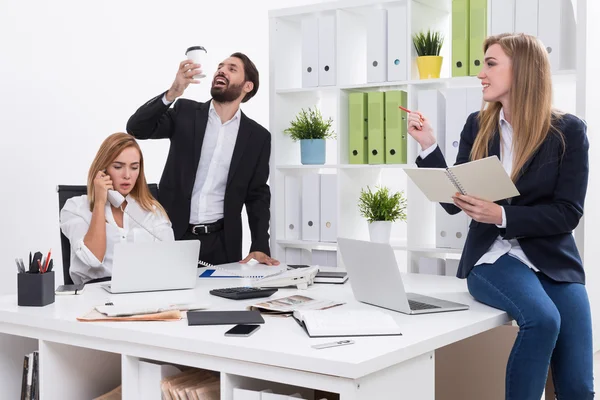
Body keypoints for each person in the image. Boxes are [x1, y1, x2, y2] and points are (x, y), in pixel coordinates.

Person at [407, 34, 593, 399]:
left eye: (491, 63)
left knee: (578, 385)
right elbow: (452, 200)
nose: (481, 73)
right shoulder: (478, 124)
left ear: (523, 71)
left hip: (553, 259)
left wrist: (503, 214)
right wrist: (429, 145)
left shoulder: (569, 131)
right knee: (542, 320)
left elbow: (567, 213)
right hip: (493, 257)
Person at [126, 52, 279, 267]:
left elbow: (257, 196)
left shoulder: (258, 137)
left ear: (247, 86)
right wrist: (172, 93)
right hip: (172, 235)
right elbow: (136, 128)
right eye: (220, 66)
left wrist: (260, 245)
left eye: (232, 69)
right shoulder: (185, 112)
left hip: (222, 244)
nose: (222, 70)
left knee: (221, 301)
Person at [60, 133, 174, 285]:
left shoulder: (152, 211)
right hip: (93, 295)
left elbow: (170, 265)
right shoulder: (76, 208)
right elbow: (93, 259)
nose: (127, 175)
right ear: (102, 170)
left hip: (143, 291)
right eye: (118, 167)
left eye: (134, 167)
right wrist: (100, 202)